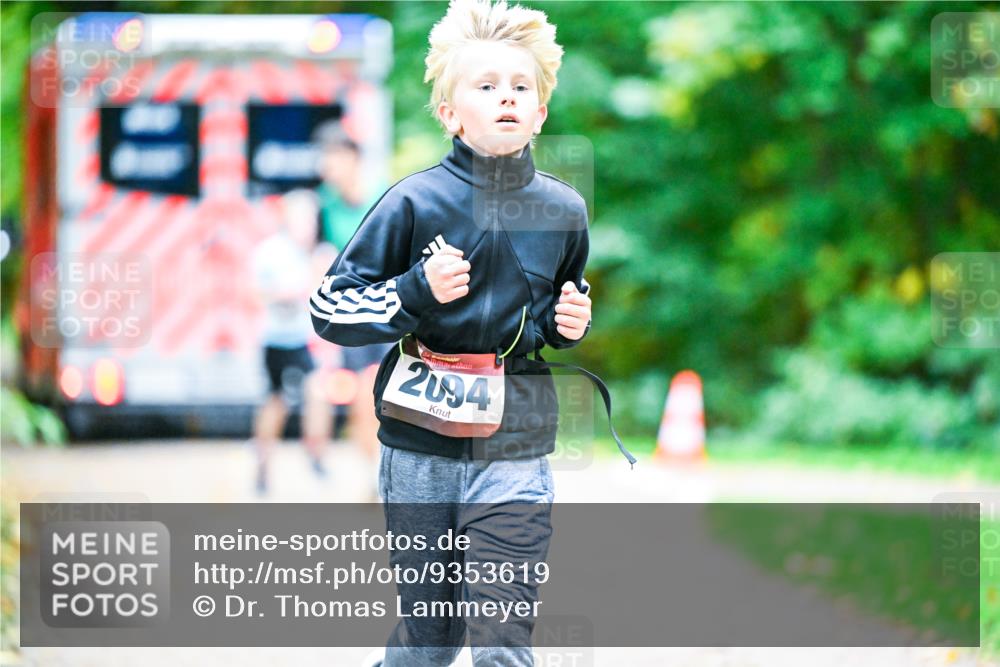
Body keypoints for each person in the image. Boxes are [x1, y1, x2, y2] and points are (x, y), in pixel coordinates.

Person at [310, 1, 632, 663]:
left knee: (501, 636)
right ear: (450, 113)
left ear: (540, 113)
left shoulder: (564, 211)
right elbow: (328, 308)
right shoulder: (412, 202)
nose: (506, 97)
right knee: (432, 641)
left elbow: (549, 315)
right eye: (486, 86)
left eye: (520, 87)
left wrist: (566, 324)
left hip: (516, 444)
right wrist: (414, 290)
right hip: (418, 448)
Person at [312, 122, 392, 500]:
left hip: (389, 310)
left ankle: (389, 472)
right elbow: (320, 257)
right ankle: (374, 473)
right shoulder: (324, 205)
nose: (326, 167)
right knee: (362, 396)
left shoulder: (383, 199)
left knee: (380, 394)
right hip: (351, 315)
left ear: (353, 159)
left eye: (332, 159)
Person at [251, 189, 330, 495]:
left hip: (303, 339)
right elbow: (256, 292)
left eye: (310, 219)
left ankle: (316, 454)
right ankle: (262, 464)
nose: (307, 226)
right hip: (276, 341)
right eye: (301, 219)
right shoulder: (270, 251)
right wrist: (283, 293)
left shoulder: (320, 253)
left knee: (317, 392)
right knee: (276, 403)